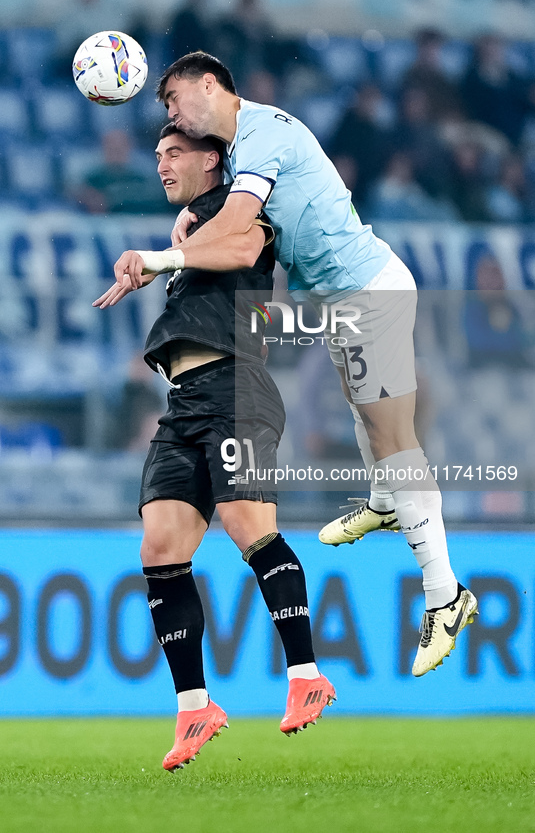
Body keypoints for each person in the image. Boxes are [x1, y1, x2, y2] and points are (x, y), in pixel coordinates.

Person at [110, 52, 478, 680]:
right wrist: (188, 223)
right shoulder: (242, 148)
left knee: (393, 436)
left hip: (368, 290)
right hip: (340, 297)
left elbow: (234, 225)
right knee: (370, 420)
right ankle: (388, 502)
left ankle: (446, 595)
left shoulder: (262, 133)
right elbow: (229, 218)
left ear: (208, 86)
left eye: (173, 100)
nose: (170, 115)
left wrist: (160, 256)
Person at [93, 123, 334, 771]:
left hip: (235, 388)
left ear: (211, 159)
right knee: (161, 547)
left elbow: (242, 246)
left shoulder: (238, 212)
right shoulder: (195, 227)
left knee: (246, 524)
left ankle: (306, 672)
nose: (162, 165)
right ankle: (194, 705)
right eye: (156, 155)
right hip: (184, 403)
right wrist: (171, 255)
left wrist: (167, 256)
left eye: (174, 153)